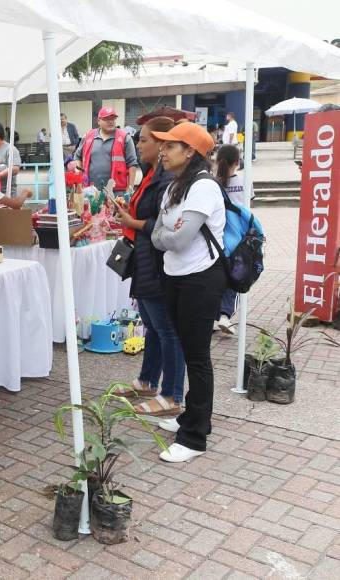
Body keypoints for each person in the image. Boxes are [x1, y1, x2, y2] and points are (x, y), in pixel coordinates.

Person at [149, 122, 227, 463]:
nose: (162, 151)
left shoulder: (204, 187)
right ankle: (191, 416)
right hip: (176, 275)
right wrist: (171, 236)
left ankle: (194, 437)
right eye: (162, 145)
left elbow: (176, 238)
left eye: (170, 146)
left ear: (190, 151)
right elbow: (157, 234)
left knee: (197, 357)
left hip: (201, 278)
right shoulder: (174, 187)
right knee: (186, 346)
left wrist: (170, 236)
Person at [113, 117, 185, 416]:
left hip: (156, 262)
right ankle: (147, 381)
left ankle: (171, 395)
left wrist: (134, 222)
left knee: (166, 330)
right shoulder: (152, 174)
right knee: (153, 327)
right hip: (145, 257)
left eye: (144, 140)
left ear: (161, 144)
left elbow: (167, 225)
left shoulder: (168, 179)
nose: (138, 144)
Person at [69, 107, 139, 195]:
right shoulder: (88, 136)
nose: (111, 121)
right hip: (90, 190)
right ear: (98, 121)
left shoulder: (125, 138)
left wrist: (130, 188)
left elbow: (132, 164)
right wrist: (79, 179)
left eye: (113, 119)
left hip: (116, 191)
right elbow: (77, 157)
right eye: (106, 119)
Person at [213, 144, 245, 334]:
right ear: (237, 162)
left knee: (216, 277)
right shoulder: (244, 180)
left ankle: (213, 316)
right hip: (238, 238)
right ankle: (224, 314)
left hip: (216, 237)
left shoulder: (212, 182)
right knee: (235, 277)